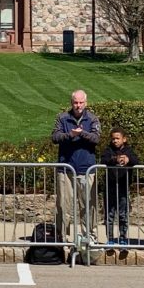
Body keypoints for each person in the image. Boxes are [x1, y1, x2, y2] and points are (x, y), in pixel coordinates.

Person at [50, 90, 101, 246]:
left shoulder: (92, 119)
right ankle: (62, 237)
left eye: (81, 103)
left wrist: (82, 133)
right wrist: (70, 135)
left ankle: (89, 236)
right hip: (66, 168)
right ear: (71, 103)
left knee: (87, 206)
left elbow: (96, 138)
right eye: (75, 103)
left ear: (86, 103)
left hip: (86, 169)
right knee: (63, 205)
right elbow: (55, 137)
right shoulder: (62, 118)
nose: (78, 106)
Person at [100, 127, 138, 246]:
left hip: (123, 186)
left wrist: (128, 159)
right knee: (110, 215)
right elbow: (104, 159)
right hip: (110, 186)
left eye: (118, 138)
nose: (115, 141)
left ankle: (123, 237)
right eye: (113, 139)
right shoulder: (108, 150)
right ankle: (110, 238)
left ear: (124, 139)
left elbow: (136, 160)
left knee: (123, 214)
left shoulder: (129, 150)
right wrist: (115, 159)